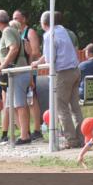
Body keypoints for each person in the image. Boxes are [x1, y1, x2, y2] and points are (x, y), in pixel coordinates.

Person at [30, 11, 84, 148]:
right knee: (75, 108)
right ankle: (82, 137)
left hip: (63, 73)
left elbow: (50, 59)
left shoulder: (48, 35)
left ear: (44, 23)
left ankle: (71, 140)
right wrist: (38, 61)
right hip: (75, 71)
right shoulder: (62, 30)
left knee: (61, 108)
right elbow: (52, 52)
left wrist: (40, 62)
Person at [0, 9, 31, 144]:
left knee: (20, 106)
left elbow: (13, 48)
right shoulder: (12, 30)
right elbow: (3, 55)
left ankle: (25, 136)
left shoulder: (7, 31)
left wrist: (2, 66)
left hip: (17, 73)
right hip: (17, 72)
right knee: (16, 105)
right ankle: (24, 133)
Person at [13, 9, 43, 141]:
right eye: (13, 18)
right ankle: (25, 131)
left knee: (32, 98)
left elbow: (36, 51)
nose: (14, 20)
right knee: (20, 102)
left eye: (16, 18)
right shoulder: (14, 34)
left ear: (24, 19)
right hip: (18, 71)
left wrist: (26, 58)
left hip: (29, 70)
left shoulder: (29, 32)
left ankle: (37, 129)